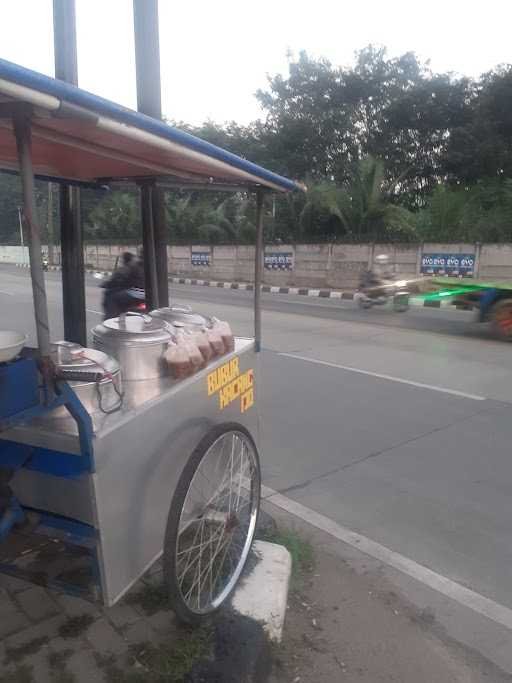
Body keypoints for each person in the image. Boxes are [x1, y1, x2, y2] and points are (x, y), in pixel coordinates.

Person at [101, 251, 145, 318]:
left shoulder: (134, 265)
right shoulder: (148, 263)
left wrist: (106, 284)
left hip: (137, 293)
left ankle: (110, 318)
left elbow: (119, 277)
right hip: (145, 292)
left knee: (111, 297)